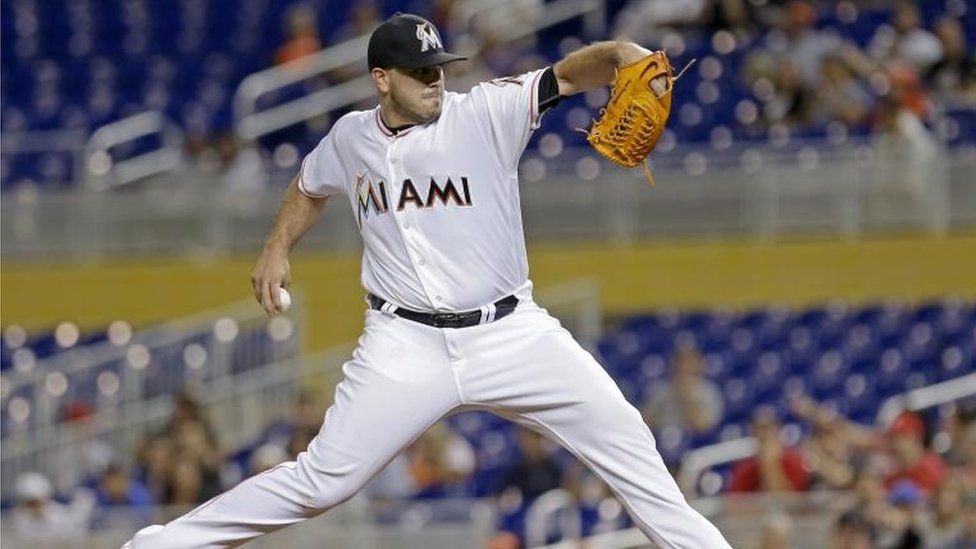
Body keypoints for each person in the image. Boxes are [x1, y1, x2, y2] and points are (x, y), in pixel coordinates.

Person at [123, 13, 731, 548]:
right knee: (322, 480)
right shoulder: (350, 137)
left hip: (511, 333)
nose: (435, 79)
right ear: (382, 79)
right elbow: (309, 186)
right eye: (419, 72)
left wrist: (621, 54)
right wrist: (276, 247)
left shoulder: (485, 112)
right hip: (404, 343)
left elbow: (569, 76)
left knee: (629, 445)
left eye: (438, 67)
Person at [641, 342, 723, 435]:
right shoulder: (661, 390)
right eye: (680, 362)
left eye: (689, 362)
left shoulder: (709, 391)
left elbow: (702, 427)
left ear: (697, 364)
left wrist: (684, 395)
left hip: (695, 443)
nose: (684, 366)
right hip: (662, 439)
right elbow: (644, 422)